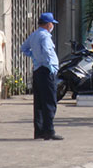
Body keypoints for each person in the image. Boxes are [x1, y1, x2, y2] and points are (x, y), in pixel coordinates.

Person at [21, 12, 62, 140]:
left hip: (38, 70)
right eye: (52, 24)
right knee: (50, 102)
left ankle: (39, 131)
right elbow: (47, 51)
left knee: (39, 103)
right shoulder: (45, 36)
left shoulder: (34, 35)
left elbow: (24, 48)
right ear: (49, 24)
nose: (52, 26)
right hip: (46, 71)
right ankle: (49, 131)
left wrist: (34, 57)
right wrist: (51, 66)